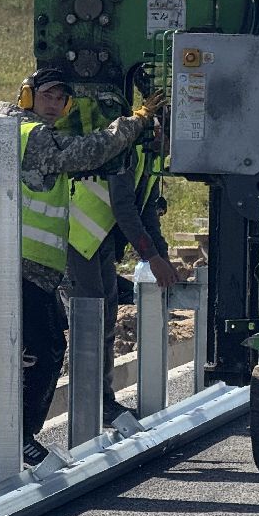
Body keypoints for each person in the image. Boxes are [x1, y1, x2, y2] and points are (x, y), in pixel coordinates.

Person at [0, 66, 160, 465]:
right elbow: (86, 152)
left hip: (19, 260)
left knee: (29, 348)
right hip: (15, 260)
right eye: (47, 95)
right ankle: (16, 438)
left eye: (61, 98)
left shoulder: (15, 130)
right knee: (34, 350)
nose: (54, 104)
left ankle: (15, 438)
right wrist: (132, 123)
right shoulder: (31, 134)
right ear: (27, 95)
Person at [65, 106, 179, 428]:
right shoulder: (129, 150)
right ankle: (91, 405)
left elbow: (148, 213)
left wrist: (162, 256)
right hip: (78, 237)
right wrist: (151, 258)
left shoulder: (149, 158)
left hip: (98, 240)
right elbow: (124, 207)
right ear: (159, 131)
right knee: (91, 321)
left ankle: (103, 401)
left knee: (106, 319)